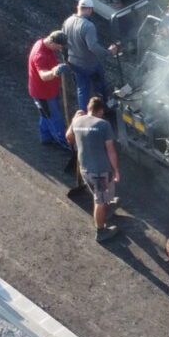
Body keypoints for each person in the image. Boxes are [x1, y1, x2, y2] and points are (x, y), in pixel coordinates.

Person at [66, 97, 121, 242]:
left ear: (88, 108)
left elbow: (69, 137)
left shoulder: (77, 120)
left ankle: (107, 206)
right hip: (100, 171)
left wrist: (73, 121)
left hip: (85, 168)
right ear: (101, 110)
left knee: (101, 194)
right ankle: (101, 231)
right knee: (99, 201)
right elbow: (111, 151)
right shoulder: (103, 124)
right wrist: (116, 170)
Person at [60, 0, 110, 111]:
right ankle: (104, 105)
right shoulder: (88, 26)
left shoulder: (67, 22)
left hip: (74, 64)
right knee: (100, 82)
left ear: (78, 7)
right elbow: (92, 47)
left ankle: (83, 114)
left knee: (82, 89)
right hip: (89, 64)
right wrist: (107, 52)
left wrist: (66, 59)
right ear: (89, 9)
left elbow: (62, 43)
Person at [26, 31, 70, 149]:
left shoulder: (42, 42)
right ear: (51, 42)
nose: (60, 49)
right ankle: (64, 142)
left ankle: (46, 137)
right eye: (59, 46)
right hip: (43, 94)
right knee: (55, 118)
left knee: (45, 114)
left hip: (48, 90)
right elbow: (44, 76)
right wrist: (55, 71)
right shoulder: (40, 55)